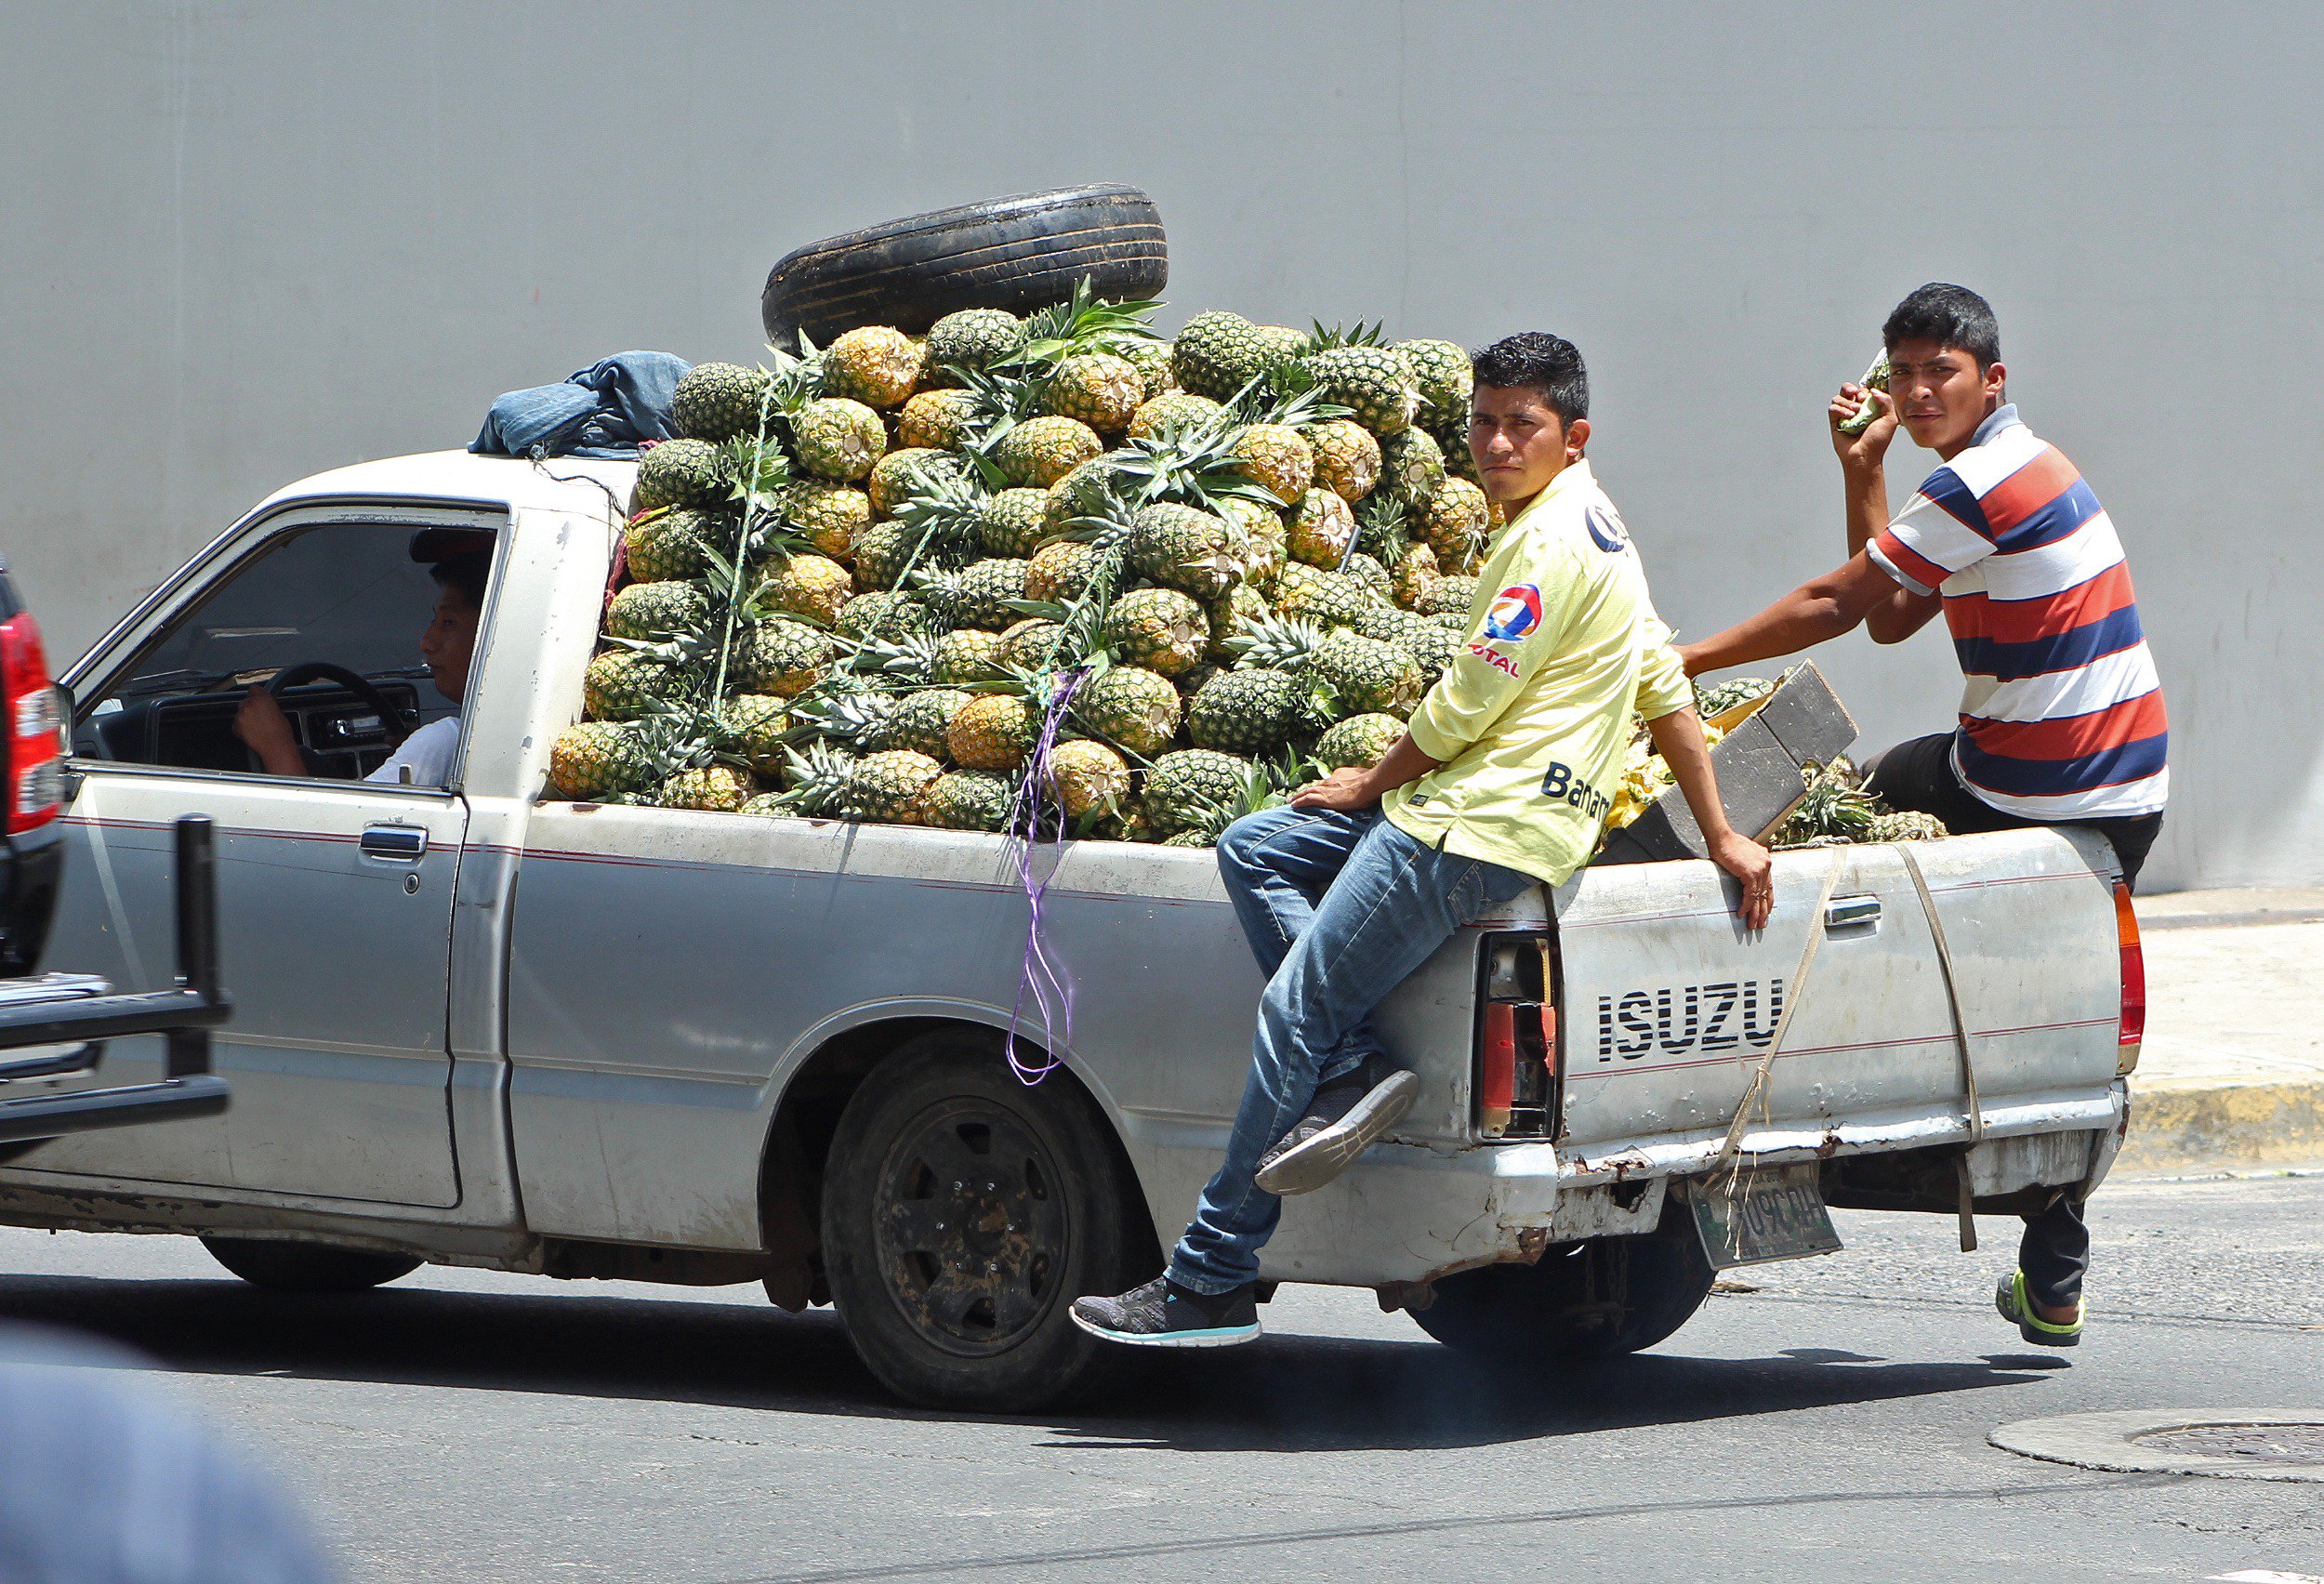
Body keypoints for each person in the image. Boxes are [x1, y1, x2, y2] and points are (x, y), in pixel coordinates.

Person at [1072, 333, 1774, 1348]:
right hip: (1505, 820)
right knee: (1259, 847)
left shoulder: (1546, 544)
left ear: (1571, 436)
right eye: (1482, 421)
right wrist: (1720, 832)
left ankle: (1209, 1275)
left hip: (1465, 819)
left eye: (1519, 425)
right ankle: (1354, 1066)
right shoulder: (1604, 526)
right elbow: (1663, 685)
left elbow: (1469, 700)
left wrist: (1371, 780)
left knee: (1292, 1008)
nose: (1494, 442)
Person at [1672, 283, 2167, 1349]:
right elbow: (1898, 613)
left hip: (2025, 787)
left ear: (1992, 381)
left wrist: (1672, 666)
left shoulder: (1989, 478)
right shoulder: (1997, 475)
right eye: (1899, 372)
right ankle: (2055, 1273)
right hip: (2128, 792)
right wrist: (1866, 473)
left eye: (1937, 371)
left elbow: (1840, 607)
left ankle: (1793, 1059)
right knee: (2047, 1023)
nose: (1914, 390)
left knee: (1863, 796)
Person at [234, 543, 488, 786]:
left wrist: (277, 748)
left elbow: (340, 829)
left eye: (448, 622)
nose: (426, 642)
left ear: (493, 633)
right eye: (435, 619)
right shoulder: (481, 745)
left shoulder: (445, 741)